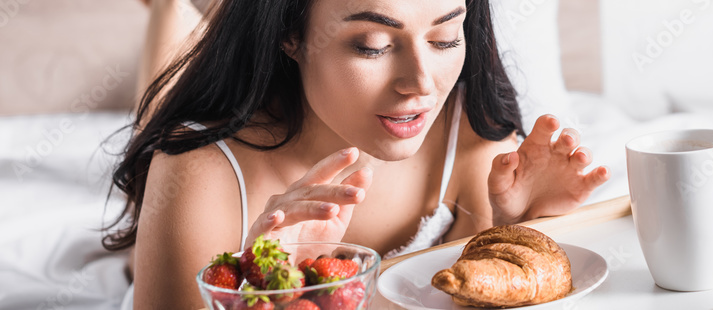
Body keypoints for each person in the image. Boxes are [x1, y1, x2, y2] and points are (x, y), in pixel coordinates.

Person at [105, 0, 610, 308]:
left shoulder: (473, 134)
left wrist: (522, 227)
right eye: (371, 45)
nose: (420, 86)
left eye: (444, 37)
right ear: (290, 33)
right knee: (162, 105)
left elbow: (476, 295)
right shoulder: (196, 169)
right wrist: (258, 289)